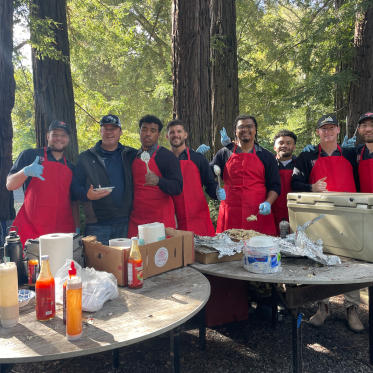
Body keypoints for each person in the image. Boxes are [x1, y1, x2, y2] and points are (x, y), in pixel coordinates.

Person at [292, 114, 362, 332]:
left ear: (338, 130)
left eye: (332, 128)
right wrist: (310, 187)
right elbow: (294, 182)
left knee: (352, 260)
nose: (328, 132)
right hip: (319, 217)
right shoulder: (307, 156)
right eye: (324, 128)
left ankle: (352, 309)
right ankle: (323, 307)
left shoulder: (351, 154)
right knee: (321, 259)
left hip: (350, 215)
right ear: (318, 132)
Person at [7, 120, 79, 246]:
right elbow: (10, 185)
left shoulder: (72, 167)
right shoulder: (30, 155)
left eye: (63, 136)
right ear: (48, 136)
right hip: (34, 229)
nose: (59, 138)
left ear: (68, 139)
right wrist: (25, 171)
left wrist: (77, 228)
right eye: (55, 134)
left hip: (63, 230)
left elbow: (74, 202)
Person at [209, 115, 281, 236]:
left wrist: (268, 202)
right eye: (241, 127)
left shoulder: (266, 156)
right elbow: (209, 174)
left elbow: (275, 186)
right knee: (229, 249)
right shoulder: (224, 153)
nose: (245, 129)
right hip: (230, 210)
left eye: (249, 126)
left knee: (258, 249)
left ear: (255, 129)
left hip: (257, 211)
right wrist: (215, 189)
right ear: (236, 131)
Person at [71, 114, 135, 246]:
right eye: (105, 128)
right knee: (97, 266)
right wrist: (87, 195)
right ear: (100, 131)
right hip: (98, 225)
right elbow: (75, 186)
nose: (109, 132)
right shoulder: (86, 157)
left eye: (113, 128)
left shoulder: (131, 154)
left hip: (126, 222)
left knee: (125, 265)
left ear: (120, 131)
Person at [165, 119, 225, 236]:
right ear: (167, 136)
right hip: (171, 218)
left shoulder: (198, 159)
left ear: (185, 135)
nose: (176, 135)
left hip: (197, 217)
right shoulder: (163, 159)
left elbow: (209, 184)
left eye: (179, 131)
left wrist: (217, 192)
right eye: (172, 132)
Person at [127, 115, 183, 238]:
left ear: (158, 135)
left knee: (159, 255)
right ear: (139, 132)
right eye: (144, 129)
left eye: (153, 131)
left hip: (160, 219)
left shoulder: (167, 157)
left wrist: (159, 181)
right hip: (136, 218)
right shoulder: (131, 156)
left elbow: (177, 187)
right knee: (135, 255)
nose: (148, 133)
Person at [272, 130, 297, 236]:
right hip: (271, 210)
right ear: (275, 147)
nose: (284, 146)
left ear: (294, 147)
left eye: (288, 143)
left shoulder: (301, 163)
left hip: (295, 211)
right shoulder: (268, 164)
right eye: (281, 143)